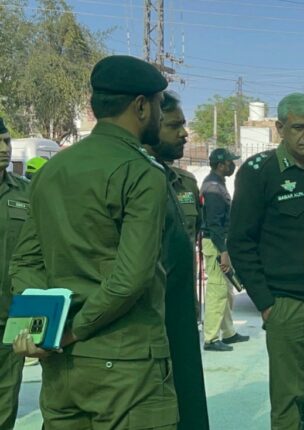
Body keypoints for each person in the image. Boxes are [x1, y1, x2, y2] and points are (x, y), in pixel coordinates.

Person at [9, 55, 179, 429]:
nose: (159, 115)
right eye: (158, 105)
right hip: (125, 367)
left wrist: (43, 331)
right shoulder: (141, 173)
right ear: (141, 106)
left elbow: (25, 263)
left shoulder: (52, 170)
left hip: (62, 372)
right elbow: (130, 279)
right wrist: (73, 331)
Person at [228, 93, 304, 430]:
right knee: (289, 399)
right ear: (280, 129)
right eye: (299, 127)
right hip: (286, 305)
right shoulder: (259, 171)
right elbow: (240, 241)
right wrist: (265, 302)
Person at [144, 90, 209, 430]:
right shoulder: (133, 180)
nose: (184, 134)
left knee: (187, 397)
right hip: (144, 312)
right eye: (174, 126)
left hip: (181, 308)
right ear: (149, 124)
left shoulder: (185, 183)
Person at [201, 147, 249, 352]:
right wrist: (223, 252)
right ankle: (211, 339)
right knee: (218, 291)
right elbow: (214, 224)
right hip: (215, 244)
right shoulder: (213, 188)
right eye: (230, 162)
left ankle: (228, 333)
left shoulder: (217, 184)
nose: (233, 165)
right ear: (221, 165)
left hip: (219, 243)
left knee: (226, 291)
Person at [0, 117, 30, 430]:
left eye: (6, 141)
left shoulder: (27, 194)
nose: (3, 148)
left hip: (11, 318)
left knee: (5, 402)